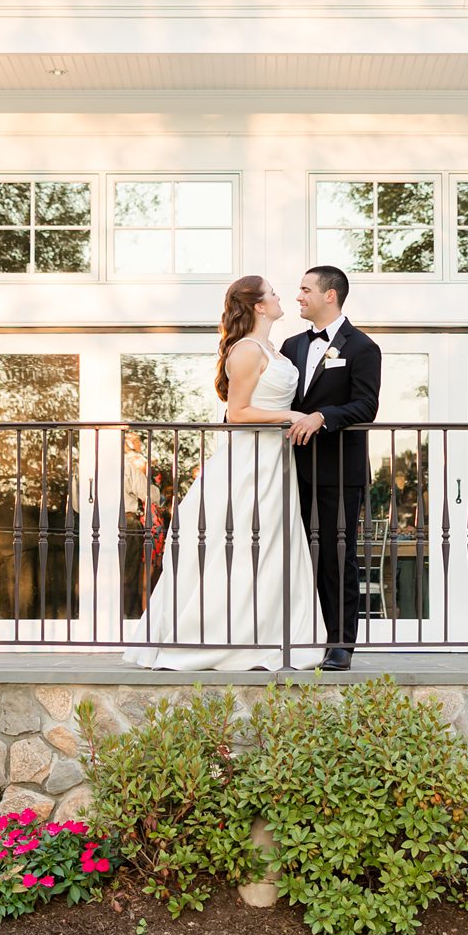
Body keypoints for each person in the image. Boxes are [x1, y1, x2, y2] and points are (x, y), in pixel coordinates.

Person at [123, 275, 325, 671]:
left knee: (270, 550)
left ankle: (267, 636)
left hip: (275, 462)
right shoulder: (246, 351)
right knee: (236, 550)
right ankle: (216, 637)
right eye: (272, 293)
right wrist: (291, 415)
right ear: (258, 306)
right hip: (249, 463)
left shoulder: (275, 350)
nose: (281, 295)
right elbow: (238, 413)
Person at [282, 266, 382, 671]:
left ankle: (340, 643)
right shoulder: (290, 345)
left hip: (338, 469)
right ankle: (296, 637)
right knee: (291, 553)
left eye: (305, 289)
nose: (298, 297)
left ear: (330, 295)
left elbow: (366, 406)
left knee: (336, 557)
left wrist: (322, 416)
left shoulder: (362, 347)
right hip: (289, 469)